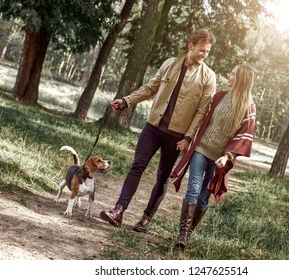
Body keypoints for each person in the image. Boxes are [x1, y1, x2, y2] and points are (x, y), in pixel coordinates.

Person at [99, 29, 217, 233]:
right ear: (191, 46)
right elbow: (150, 88)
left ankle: (146, 218)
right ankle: (119, 210)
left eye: (207, 52)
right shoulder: (169, 64)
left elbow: (201, 112)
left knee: (162, 177)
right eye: (201, 50)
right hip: (153, 127)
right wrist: (127, 100)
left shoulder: (208, 77)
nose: (204, 54)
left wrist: (188, 137)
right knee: (137, 166)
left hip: (177, 136)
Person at [170, 63, 256, 249]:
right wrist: (188, 138)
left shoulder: (248, 108)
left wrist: (226, 157)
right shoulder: (218, 97)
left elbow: (243, 137)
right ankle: (182, 236)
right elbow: (201, 121)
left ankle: (189, 233)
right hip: (201, 149)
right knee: (193, 188)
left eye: (232, 73)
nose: (229, 75)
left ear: (240, 79)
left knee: (203, 197)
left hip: (219, 159)